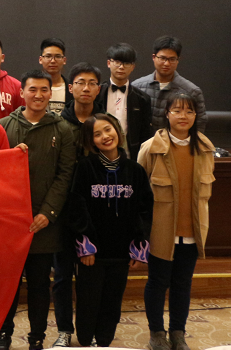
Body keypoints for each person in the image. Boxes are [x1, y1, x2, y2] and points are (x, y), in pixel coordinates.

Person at [0, 70, 77, 350]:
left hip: (43, 223)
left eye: (44, 90)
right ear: (22, 92)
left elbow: (65, 175)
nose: (39, 95)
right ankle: (3, 334)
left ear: (51, 94)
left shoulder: (62, 129)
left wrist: (48, 213)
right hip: (9, 222)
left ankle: (37, 338)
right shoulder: (3, 126)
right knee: (7, 285)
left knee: (40, 284)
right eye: (33, 89)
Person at [66, 114, 152, 348]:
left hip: (121, 252)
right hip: (92, 253)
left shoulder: (135, 170)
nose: (105, 136)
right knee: (88, 300)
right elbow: (77, 207)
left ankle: (104, 342)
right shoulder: (85, 168)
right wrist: (85, 245)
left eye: (108, 129)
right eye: (97, 134)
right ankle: (86, 342)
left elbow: (145, 210)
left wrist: (139, 246)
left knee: (112, 301)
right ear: (90, 141)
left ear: (117, 130)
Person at [138, 94, 214, 350]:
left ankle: (178, 332)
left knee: (183, 284)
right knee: (157, 283)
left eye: (189, 111)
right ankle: (157, 333)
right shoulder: (151, 147)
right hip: (161, 232)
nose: (183, 116)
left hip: (192, 231)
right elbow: (140, 193)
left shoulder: (205, 148)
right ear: (167, 114)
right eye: (178, 110)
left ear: (195, 116)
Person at [51, 62, 111, 347]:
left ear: (98, 89)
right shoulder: (58, 123)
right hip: (63, 211)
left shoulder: (105, 124)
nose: (86, 88)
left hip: (96, 213)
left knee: (91, 277)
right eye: (80, 83)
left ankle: (90, 332)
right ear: (70, 87)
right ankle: (64, 330)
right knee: (62, 275)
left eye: (92, 83)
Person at [132, 35, 207, 132]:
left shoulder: (192, 91)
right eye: (162, 58)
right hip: (144, 142)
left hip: (177, 141)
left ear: (178, 60)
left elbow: (200, 124)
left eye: (172, 59)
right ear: (154, 57)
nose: (167, 63)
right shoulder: (137, 87)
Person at [98, 43, 153, 155]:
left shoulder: (142, 99)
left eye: (126, 63)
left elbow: (145, 133)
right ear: (109, 63)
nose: (121, 67)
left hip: (130, 155)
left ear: (133, 67)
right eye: (117, 62)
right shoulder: (97, 93)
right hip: (99, 153)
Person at [39, 38, 72, 115]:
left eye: (58, 56)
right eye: (48, 56)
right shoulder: (31, 88)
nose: (53, 61)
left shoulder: (72, 89)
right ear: (40, 59)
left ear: (64, 60)